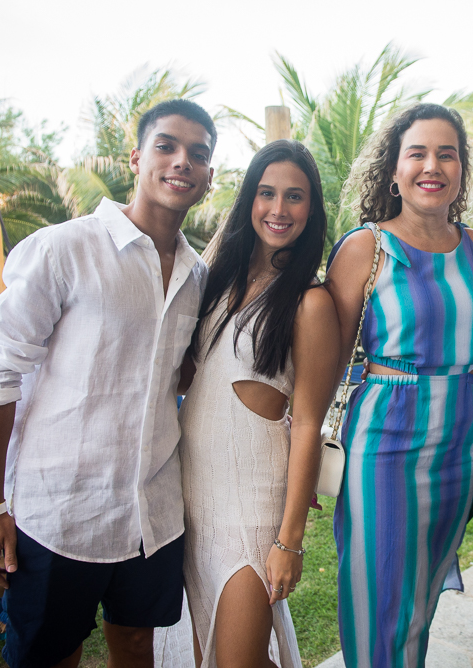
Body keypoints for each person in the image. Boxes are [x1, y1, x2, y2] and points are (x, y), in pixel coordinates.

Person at [0, 99, 216, 668]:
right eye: (167, 146)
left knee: (135, 644)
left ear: (207, 176)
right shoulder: (65, 249)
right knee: (50, 655)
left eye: (197, 155)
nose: (182, 162)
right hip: (60, 512)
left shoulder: (199, 276)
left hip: (151, 512)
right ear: (136, 157)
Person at [326, 103, 473, 667]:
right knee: (380, 606)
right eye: (417, 153)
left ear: (461, 170)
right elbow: (328, 363)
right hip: (386, 444)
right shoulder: (365, 248)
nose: (433, 165)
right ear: (394, 171)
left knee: (418, 608)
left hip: (458, 446)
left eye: (447, 153)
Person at [178, 139, 339, 667]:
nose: (278, 208)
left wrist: (289, 539)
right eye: (266, 193)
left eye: (295, 196)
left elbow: (308, 423)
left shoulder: (309, 302)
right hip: (190, 490)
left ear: (311, 209)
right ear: (249, 199)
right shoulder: (217, 279)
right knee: (208, 650)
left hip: (251, 503)